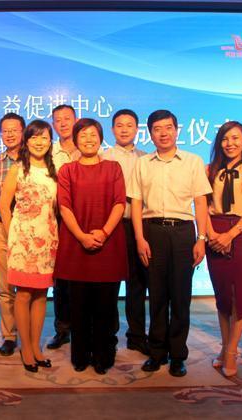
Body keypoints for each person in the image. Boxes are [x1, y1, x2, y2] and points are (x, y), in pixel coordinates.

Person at [128, 110, 212, 377]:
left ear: (177, 130)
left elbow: (200, 202)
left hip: (183, 232)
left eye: (168, 128)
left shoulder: (192, 161)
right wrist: (139, 238)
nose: (163, 133)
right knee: (157, 296)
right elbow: (136, 203)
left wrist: (201, 238)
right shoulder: (142, 163)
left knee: (180, 296)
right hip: (152, 231)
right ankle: (156, 352)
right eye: (157, 129)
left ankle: (177, 355)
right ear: (150, 134)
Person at [55, 118, 127, 374]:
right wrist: (82, 236)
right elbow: (64, 207)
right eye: (83, 135)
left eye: (93, 134)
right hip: (77, 245)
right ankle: (81, 355)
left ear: (100, 138)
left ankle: (103, 355)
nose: (88, 139)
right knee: (79, 305)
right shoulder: (67, 170)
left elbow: (119, 203)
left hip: (108, 244)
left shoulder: (113, 168)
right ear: (75, 140)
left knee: (106, 306)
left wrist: (104, 232)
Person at [205, 121, 242, 377]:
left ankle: (231, 351)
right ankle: (224, 346)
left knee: (239, 295)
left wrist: (230, 234)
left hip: (240, 233)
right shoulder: (209, 170)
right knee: (222, 296)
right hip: (214, 232)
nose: (230, 143)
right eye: (225, 138)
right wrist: (211, 235)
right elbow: (202, 207)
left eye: (235, 138)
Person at [0, 119, 58, 372]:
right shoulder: (18, 169)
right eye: (34, 137)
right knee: (23, 294)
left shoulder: (54, 171)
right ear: (27, 141)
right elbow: (4, 206)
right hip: (23, 241)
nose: (39, 142)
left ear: (50, 141)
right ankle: (25, 348)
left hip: (48, 240)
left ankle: (36, 347)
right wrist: (13, 235)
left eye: (44, 137)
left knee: (42, 294)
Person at [102, 109, 149, 355]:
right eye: (119, 125)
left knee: (137, 283)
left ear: (137, 129)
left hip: (137, 226)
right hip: (112, 227)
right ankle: (107, 335)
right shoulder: (103, 158)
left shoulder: (146, 159)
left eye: (129, 125)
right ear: (112, 130)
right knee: (109, 284)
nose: (124, 129)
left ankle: (136, 335)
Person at [0, 113, 26, 357]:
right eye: (5, 130)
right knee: (5, 287)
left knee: (29, 287)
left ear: (23, 131)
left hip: (30, 231)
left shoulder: (35, 160)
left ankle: (29, 333)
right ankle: (9, 335)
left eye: (14, 130)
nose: (10, 134)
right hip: (2, 228)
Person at [48, 104, 80, 350]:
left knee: (84, 276)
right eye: (58, 120)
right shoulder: (48, 152)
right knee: (60, 276)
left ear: (76, 120)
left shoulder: (90, 147)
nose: (63, 123)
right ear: (53, 125)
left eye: (67, 118)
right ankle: (62, 329)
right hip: (56, 219)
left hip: (86, 219)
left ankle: (83, 328)